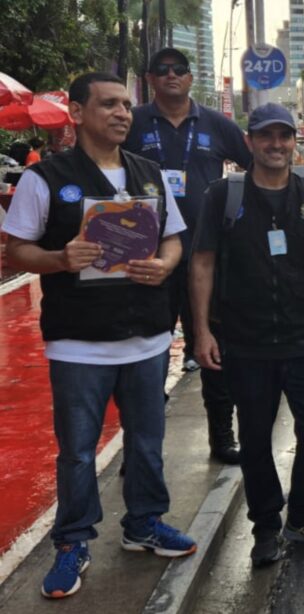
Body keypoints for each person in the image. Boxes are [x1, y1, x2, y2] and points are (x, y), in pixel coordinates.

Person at [2, 72, 196, 599]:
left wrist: (164, 265)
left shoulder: (149, 174)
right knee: (78, 451)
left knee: (147, 441)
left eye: (125, 106)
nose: (121, 114)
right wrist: (60, 258)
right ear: (77, 112)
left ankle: (145, 524)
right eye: (108, 104)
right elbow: (15, 251)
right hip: (79, 341)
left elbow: (174, 238)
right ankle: (73, 541)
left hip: (147, 337)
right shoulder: (46, 179)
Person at [189, 103, 304, 566]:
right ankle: (265, 526)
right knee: (255, 438)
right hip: (245, 340)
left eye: (284, 136)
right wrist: (202, 331)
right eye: (266, 136)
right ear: (250, 141)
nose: (276, 145)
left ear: (294, 141)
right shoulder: (223, 195)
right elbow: (202, 263)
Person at [124, 47, 253, 464]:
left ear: (190, 77)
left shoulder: (216, 124)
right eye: (162, 70)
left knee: (211, 347)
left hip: (206, 256)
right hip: (149, 258)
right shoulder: (134, 122)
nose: (171, 75)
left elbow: (255, 166)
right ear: (150, 79)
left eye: (179, 69)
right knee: (146, 355)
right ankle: (139, 451)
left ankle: (222, 438)